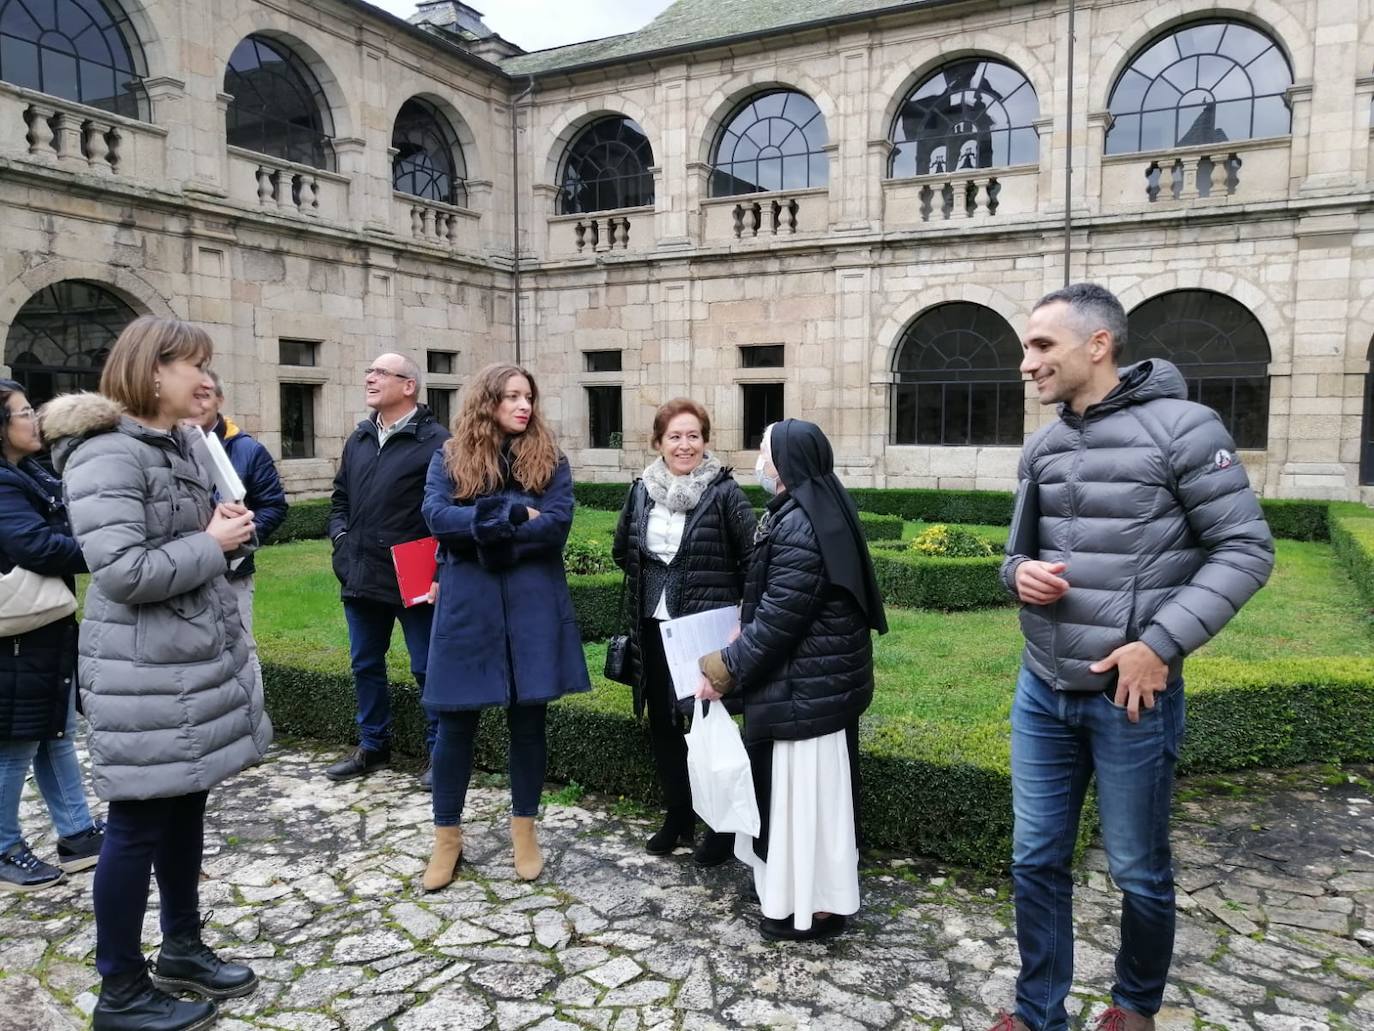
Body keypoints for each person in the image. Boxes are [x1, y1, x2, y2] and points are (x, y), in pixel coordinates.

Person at [985, 283, 1274, 1031]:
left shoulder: (1185, 429)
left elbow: (1245, 548)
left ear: (1098, 344)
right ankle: (1037, 1011)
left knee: (1139, 870)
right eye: (1027, 347)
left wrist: (1160, 644)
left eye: (1042, 345)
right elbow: (1015, 554)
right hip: (1042, 690)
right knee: (1035, 860)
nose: (1027, 362)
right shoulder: (1044, 446)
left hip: (1131, 699)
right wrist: (1018, 574)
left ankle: (1135, 1006)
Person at [41, 316, 272, 1031]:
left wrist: (227, 539)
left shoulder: (178, 445)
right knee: (136, 826)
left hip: (183, 667)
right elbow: (122, 570)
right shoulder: (108, 455)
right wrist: (211, 542)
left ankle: (181, 947)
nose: (205, 380)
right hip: (143, 675)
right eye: (191, 365)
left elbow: (192, 545)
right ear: (150, 369)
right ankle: (120, 989)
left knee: (184, 809)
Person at [696, 418, 887, 942]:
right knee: (810, 805)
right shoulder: (805, 512)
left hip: (807, 691)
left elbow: (782, 617)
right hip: (813, 687)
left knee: (804, 804)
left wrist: (724, 668)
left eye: (763, 450)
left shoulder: (800, 522)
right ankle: (807, 900)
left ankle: (811, 907)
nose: (757, 459)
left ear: (783, 463)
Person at [419, 362, 591, 890]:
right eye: (512, 396)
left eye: (529, 397)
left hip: (532, 603)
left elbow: (556, 526)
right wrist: (516, 516)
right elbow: (435, 519)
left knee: (528, 721)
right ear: (487, 400)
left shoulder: (551, 460)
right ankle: (447, 838)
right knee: (455, 725)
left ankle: (524, 831)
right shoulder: (448, 457)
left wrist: (483, 524)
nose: (523, 406)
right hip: (470, 604)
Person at [612, 398, 756, 864]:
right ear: (659, 442)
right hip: (653, 627)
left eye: (693, 435)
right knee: (662, 725)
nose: (684, 444)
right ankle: (678, 816)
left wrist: (737, 621)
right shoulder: (641, 492)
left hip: (703, 630)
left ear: (706, 441)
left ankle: (718, 827)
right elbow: (623, 550)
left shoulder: (725, 493)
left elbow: (753, 560)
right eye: (675, 436)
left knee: (705, 723)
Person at [326, 353, 448, 787]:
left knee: (427, 667)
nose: (370, 378)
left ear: (409, 385)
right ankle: (373, 746)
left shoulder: (438, 442)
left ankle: (440, 755)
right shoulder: (359, 438)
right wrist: (340, 541)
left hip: (413, 578)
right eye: (369, 371)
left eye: (380, 372)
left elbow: (449, 512)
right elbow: (339, 499)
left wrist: (438, 571)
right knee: (364, 664)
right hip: (360, 574)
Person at [0, 379, 103, 892]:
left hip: (45, 625)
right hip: (15, 634)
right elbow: (35, 546)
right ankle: (3, 846)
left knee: (57, 733)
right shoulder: (2, 483)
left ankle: (77, 834)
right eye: (22, 412)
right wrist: (108, 551)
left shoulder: (29, 474)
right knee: (15, 743)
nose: (33, 419)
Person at [191, 370, 288, 692]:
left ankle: (252, 729)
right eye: (189, 393)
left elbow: (274, 505)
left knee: (242, 651)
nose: (196, 402)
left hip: (232, 573)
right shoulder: (166, 446)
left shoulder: (247, 449)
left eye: (204, 395)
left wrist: (242, 534)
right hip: (181, 572)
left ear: (220, 399)